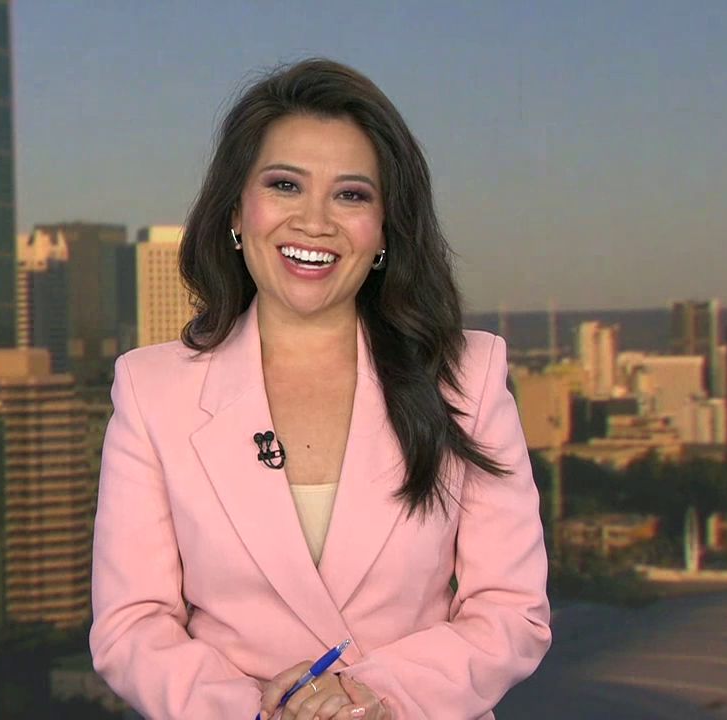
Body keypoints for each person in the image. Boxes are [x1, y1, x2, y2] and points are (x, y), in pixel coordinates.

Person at [89, 58, 551, 719]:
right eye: (285, 185)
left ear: (385, 228)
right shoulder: (151, 389)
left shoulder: (467, 375)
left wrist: (373, 702)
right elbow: (133, 625)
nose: (314, 222)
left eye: (351, 195)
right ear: (236, 211)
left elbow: (511, 611)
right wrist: (261, 714)